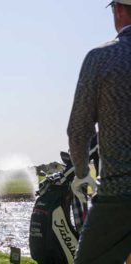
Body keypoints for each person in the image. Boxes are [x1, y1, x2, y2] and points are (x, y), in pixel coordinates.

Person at [67, 1, 131, 263]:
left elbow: (78, 130)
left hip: (119, 194)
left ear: (118, 10)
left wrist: (82, 173)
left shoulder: (101, 58)